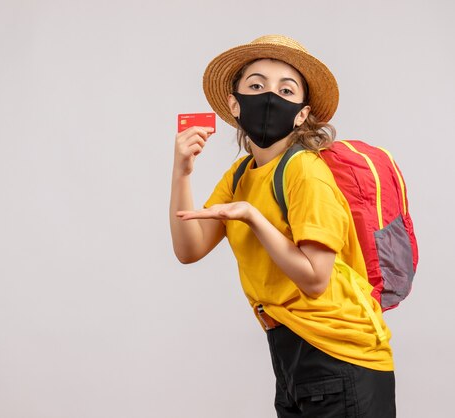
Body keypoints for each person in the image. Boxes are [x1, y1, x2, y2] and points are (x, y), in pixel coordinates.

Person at [169, 35, 396, 417]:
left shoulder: (305, 171)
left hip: (342, 354)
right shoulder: (242, 174)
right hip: (291, 352)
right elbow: (188, 249)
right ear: (234, 104)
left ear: (302, 114)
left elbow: (314, 279)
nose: (270, 96)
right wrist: (182, 171)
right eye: (256, 85)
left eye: (285, 89)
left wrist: (253, 217)